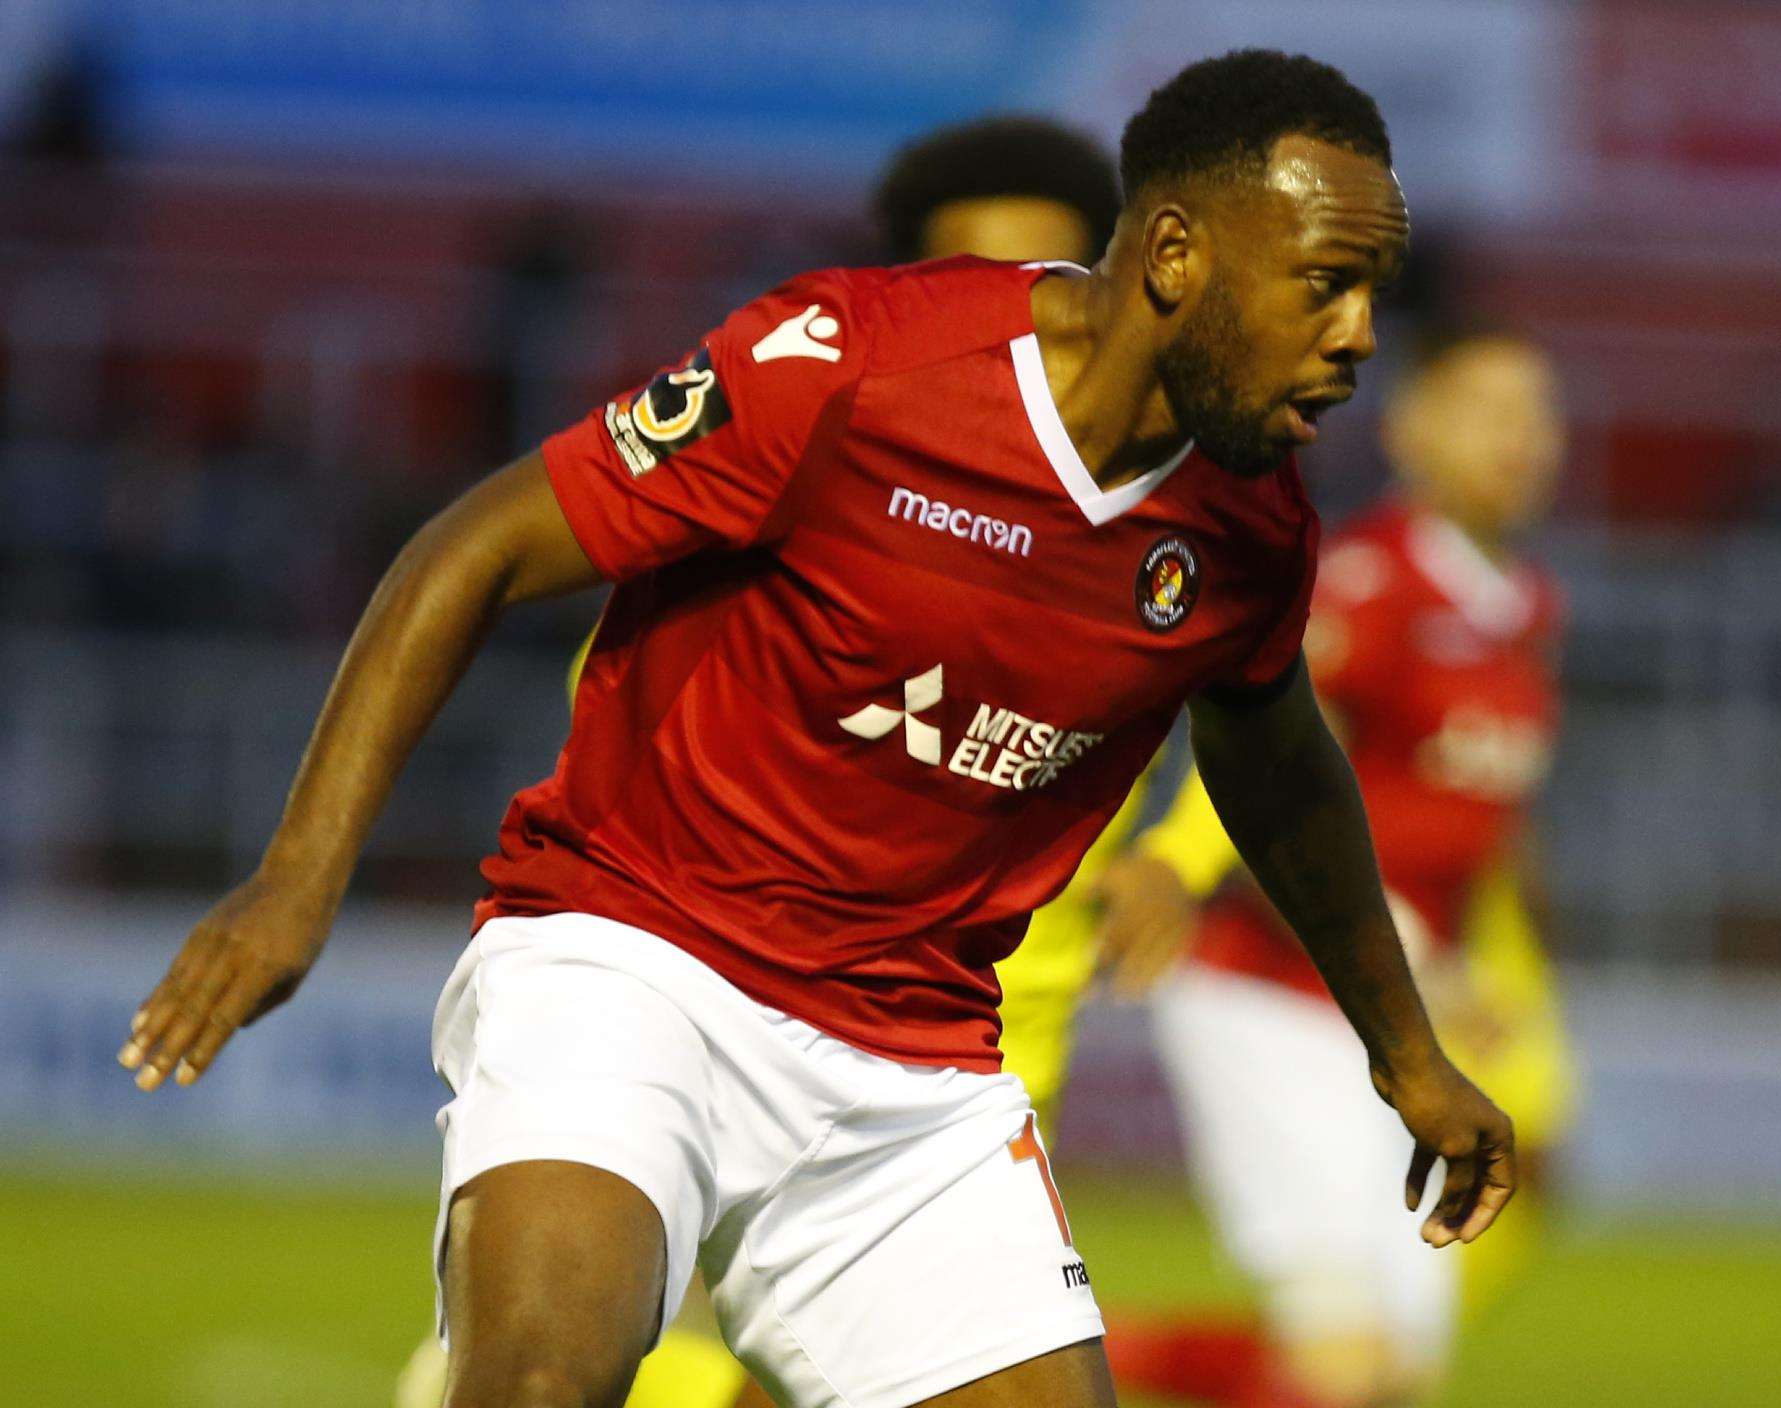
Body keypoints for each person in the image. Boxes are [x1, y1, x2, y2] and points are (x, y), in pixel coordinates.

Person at [119, 50, 1513, 1408]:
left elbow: (1280, 766)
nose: (1360, 338)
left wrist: (1403, 1058)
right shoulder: (854, 363)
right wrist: (298, 879)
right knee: (542, 1380)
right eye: (1325, 286)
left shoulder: (1251, 528)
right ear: (1173, 257)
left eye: (1372, 294)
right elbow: (473, 547)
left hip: (911, 1068)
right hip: (636, 964)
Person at [394, 111, 1127, 1408]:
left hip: (957, 1040)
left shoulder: (1169, 541)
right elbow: (543, 602)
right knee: (588, 1361)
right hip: (693, 985)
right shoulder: (816, 430)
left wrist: (1181, 866)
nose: (1018, 311)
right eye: (975, 273)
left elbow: (1245, 735)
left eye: (1054, 279)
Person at [1104, 324, 1571, 1408]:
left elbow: (1490, 823)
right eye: (1490, 411)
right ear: (1415, 431)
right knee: (1344, 1363)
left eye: (1537, 415)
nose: (1521, 440)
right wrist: (1408, 951)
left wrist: (1516, 975)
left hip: (1406, 1021)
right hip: (1276, 999)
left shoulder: (1527, 606)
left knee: (1394, 1369)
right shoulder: (1366, 585)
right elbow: (1267, 805)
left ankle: (1085, 1352)